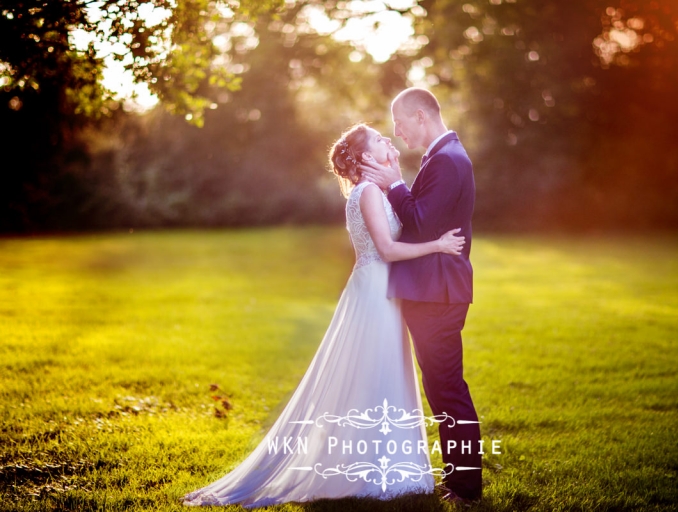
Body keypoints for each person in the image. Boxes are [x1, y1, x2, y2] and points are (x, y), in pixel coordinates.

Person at [182, 123, 465, 508]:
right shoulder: (367, 193)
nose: (389, 142)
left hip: (386, 290)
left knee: (381, 372)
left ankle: (388, 467)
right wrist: (439, 245)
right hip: (375, 291)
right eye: (381, 140)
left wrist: (397, 176)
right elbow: (386, 249)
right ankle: (371, 470)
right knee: (374, 372)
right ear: (366, 157)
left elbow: (409, 219)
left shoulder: (377, 190)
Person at [361, 87, 482, 504]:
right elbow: (425, 217)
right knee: (442, 388)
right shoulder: (442, 156)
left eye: (399, 122)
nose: (396, 132)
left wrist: (394, 184)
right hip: (434, 290)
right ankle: (460, 482)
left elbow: (421, 223)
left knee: (447, 390)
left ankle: (465, 487)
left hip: (438, 293)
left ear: (420, 116)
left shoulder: (447, 160)